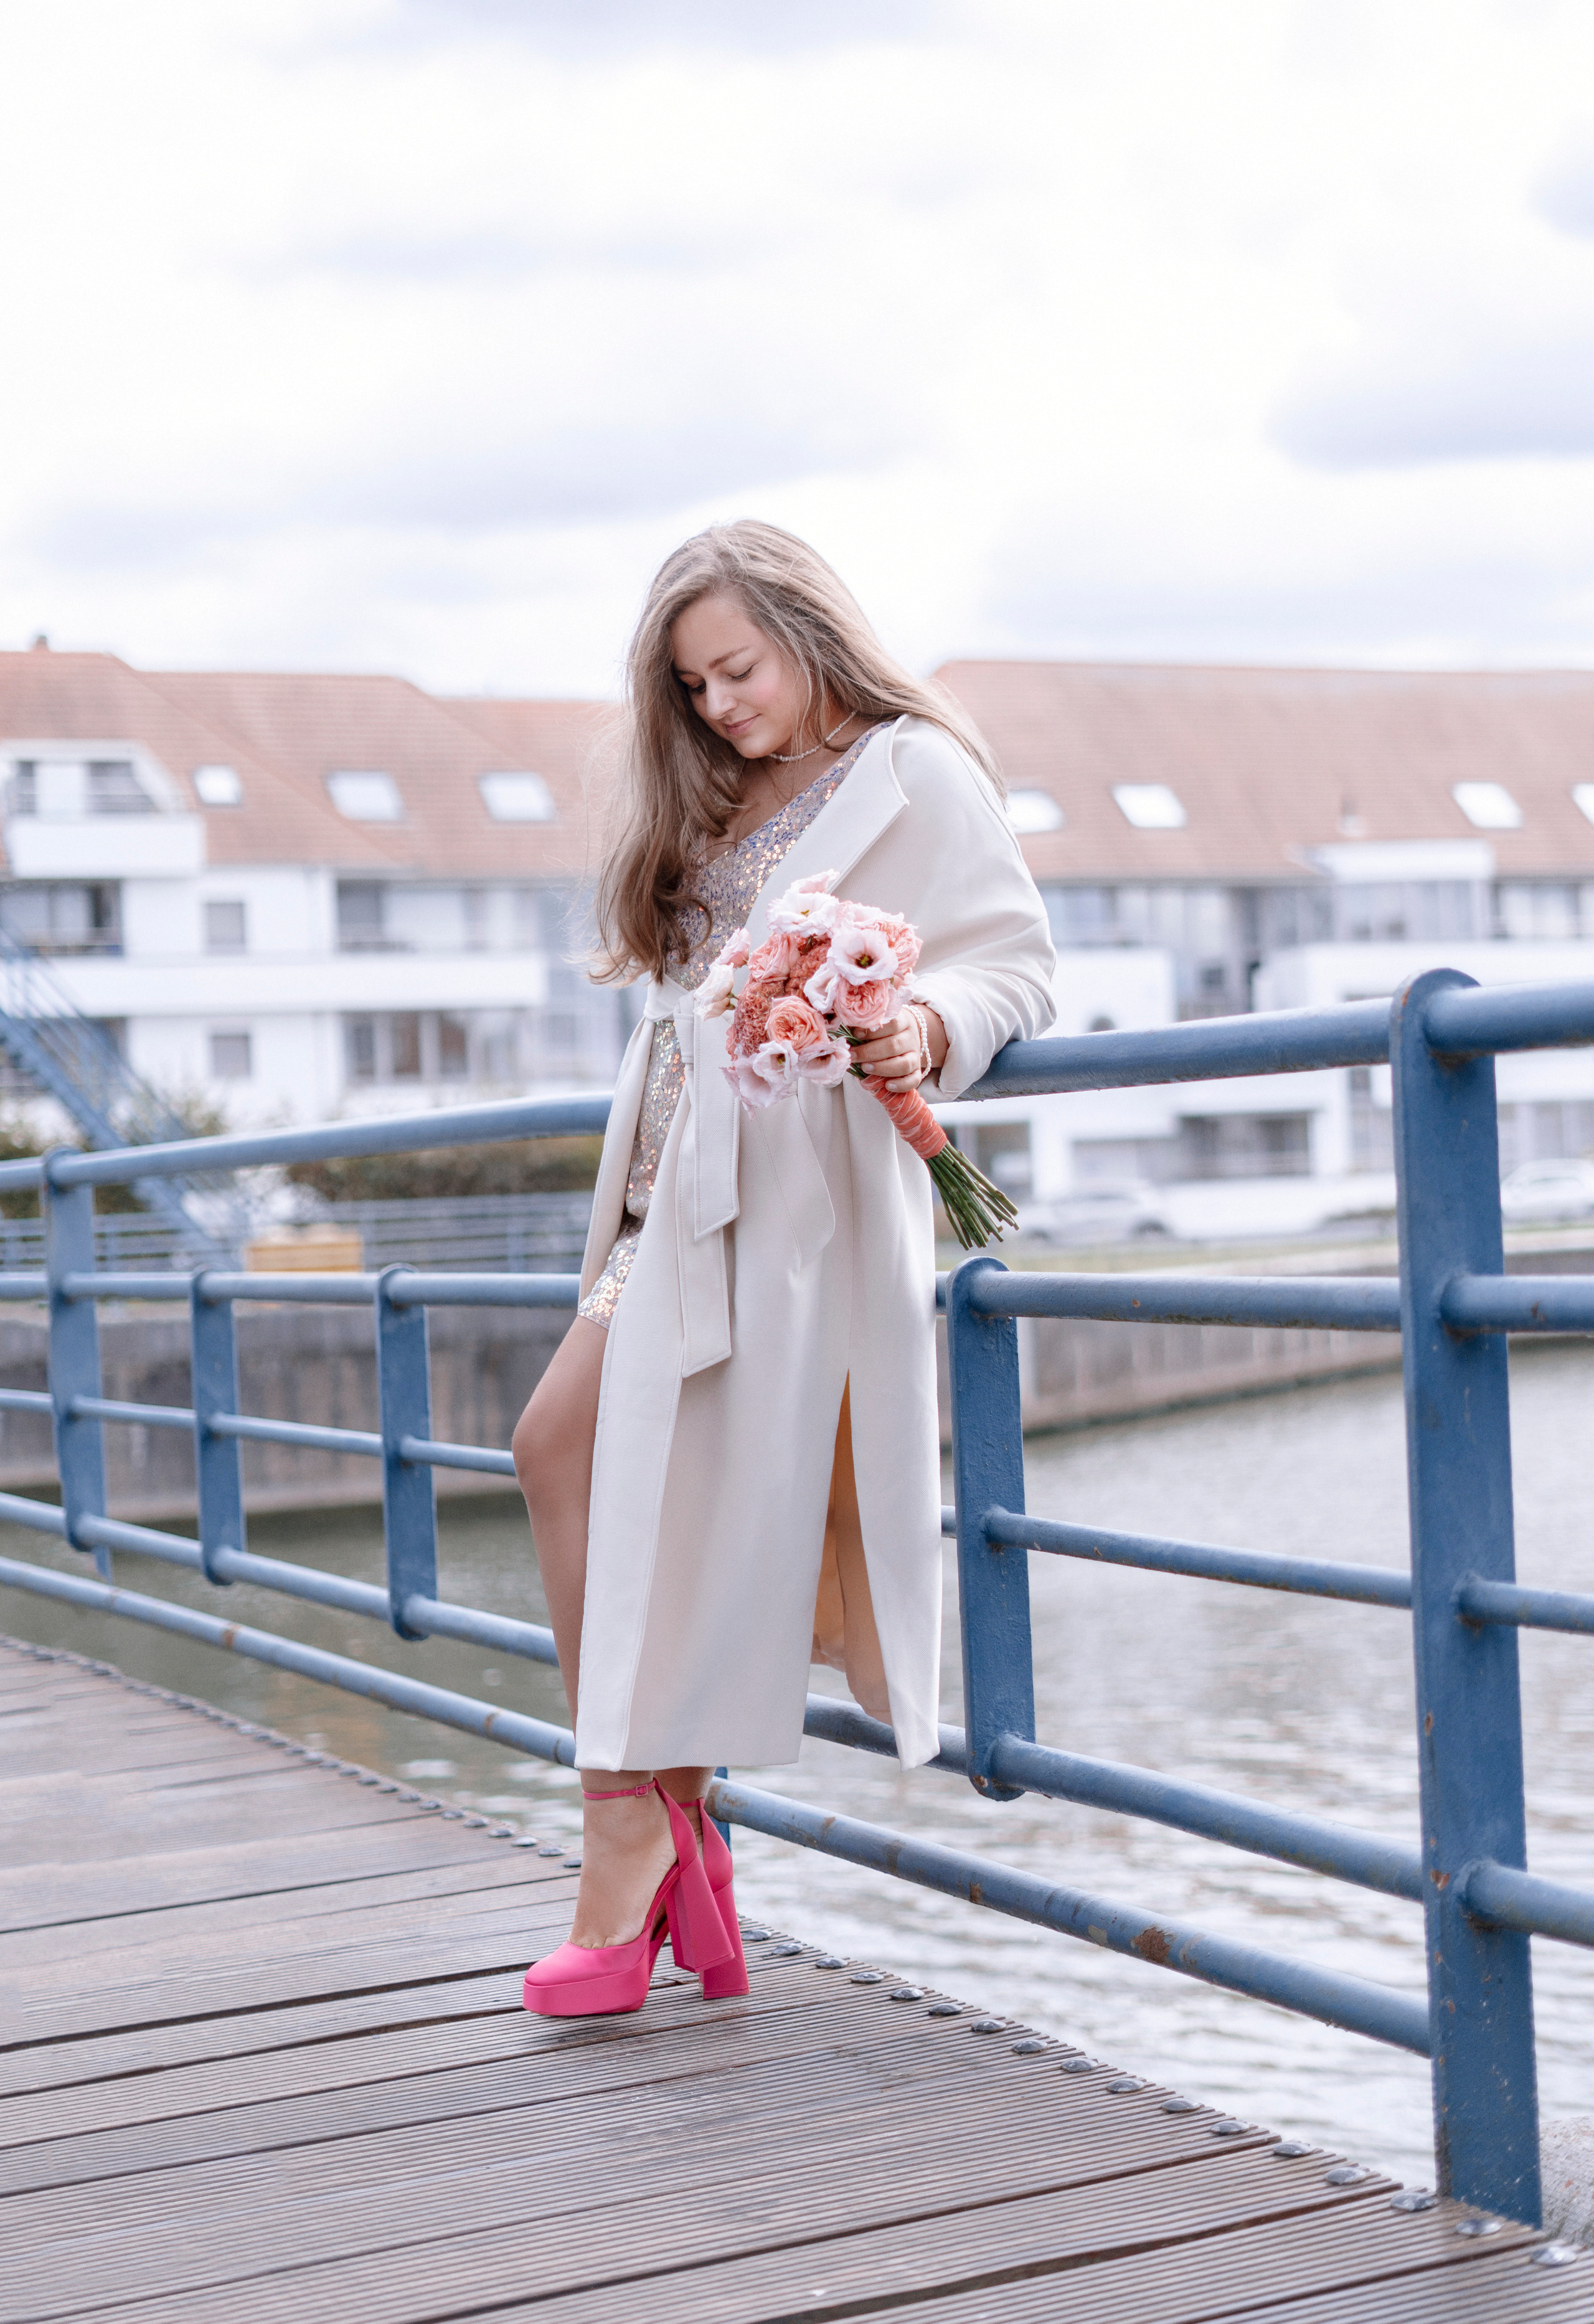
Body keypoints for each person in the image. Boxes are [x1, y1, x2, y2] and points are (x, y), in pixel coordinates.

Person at [513, 520, 1055, 2016]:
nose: (717, 706)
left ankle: (627, 1845)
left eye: (734, 669)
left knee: (644, 1492)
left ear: (811, 633)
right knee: (559, 1449)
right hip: (664, 1196)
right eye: (691, 686)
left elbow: (1011, 960)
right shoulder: (718, 796)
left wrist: (920, 1023)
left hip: (792, 1213)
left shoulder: (912, 771)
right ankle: (650, 1823)